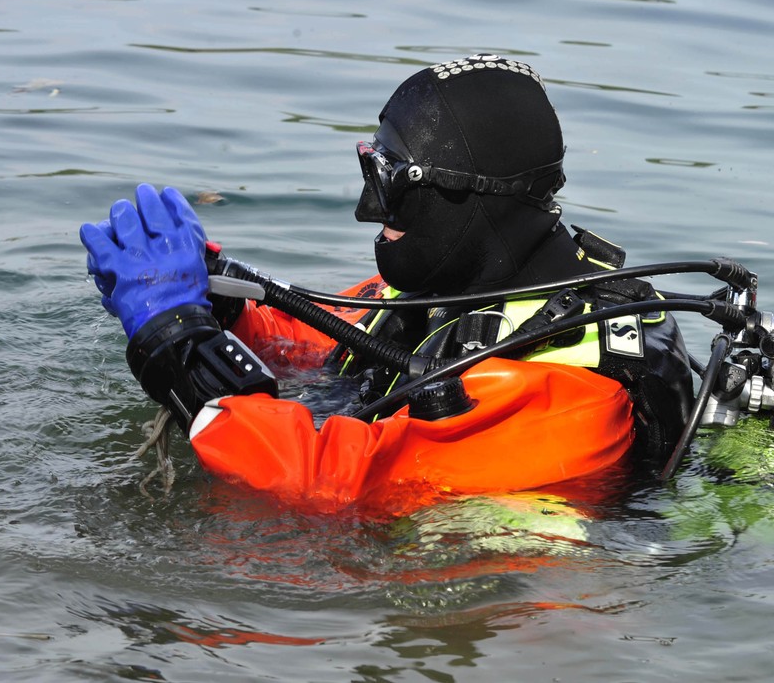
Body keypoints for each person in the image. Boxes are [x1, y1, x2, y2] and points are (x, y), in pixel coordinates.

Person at [81, 54, 695, 512]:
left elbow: (330, 482)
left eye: (389, 178)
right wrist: (214, 295)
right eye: (368, 165)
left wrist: (174, 341)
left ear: (462, 192)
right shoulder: (462, 284)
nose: (368, 209)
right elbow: (321, 339)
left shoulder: (570, 393)